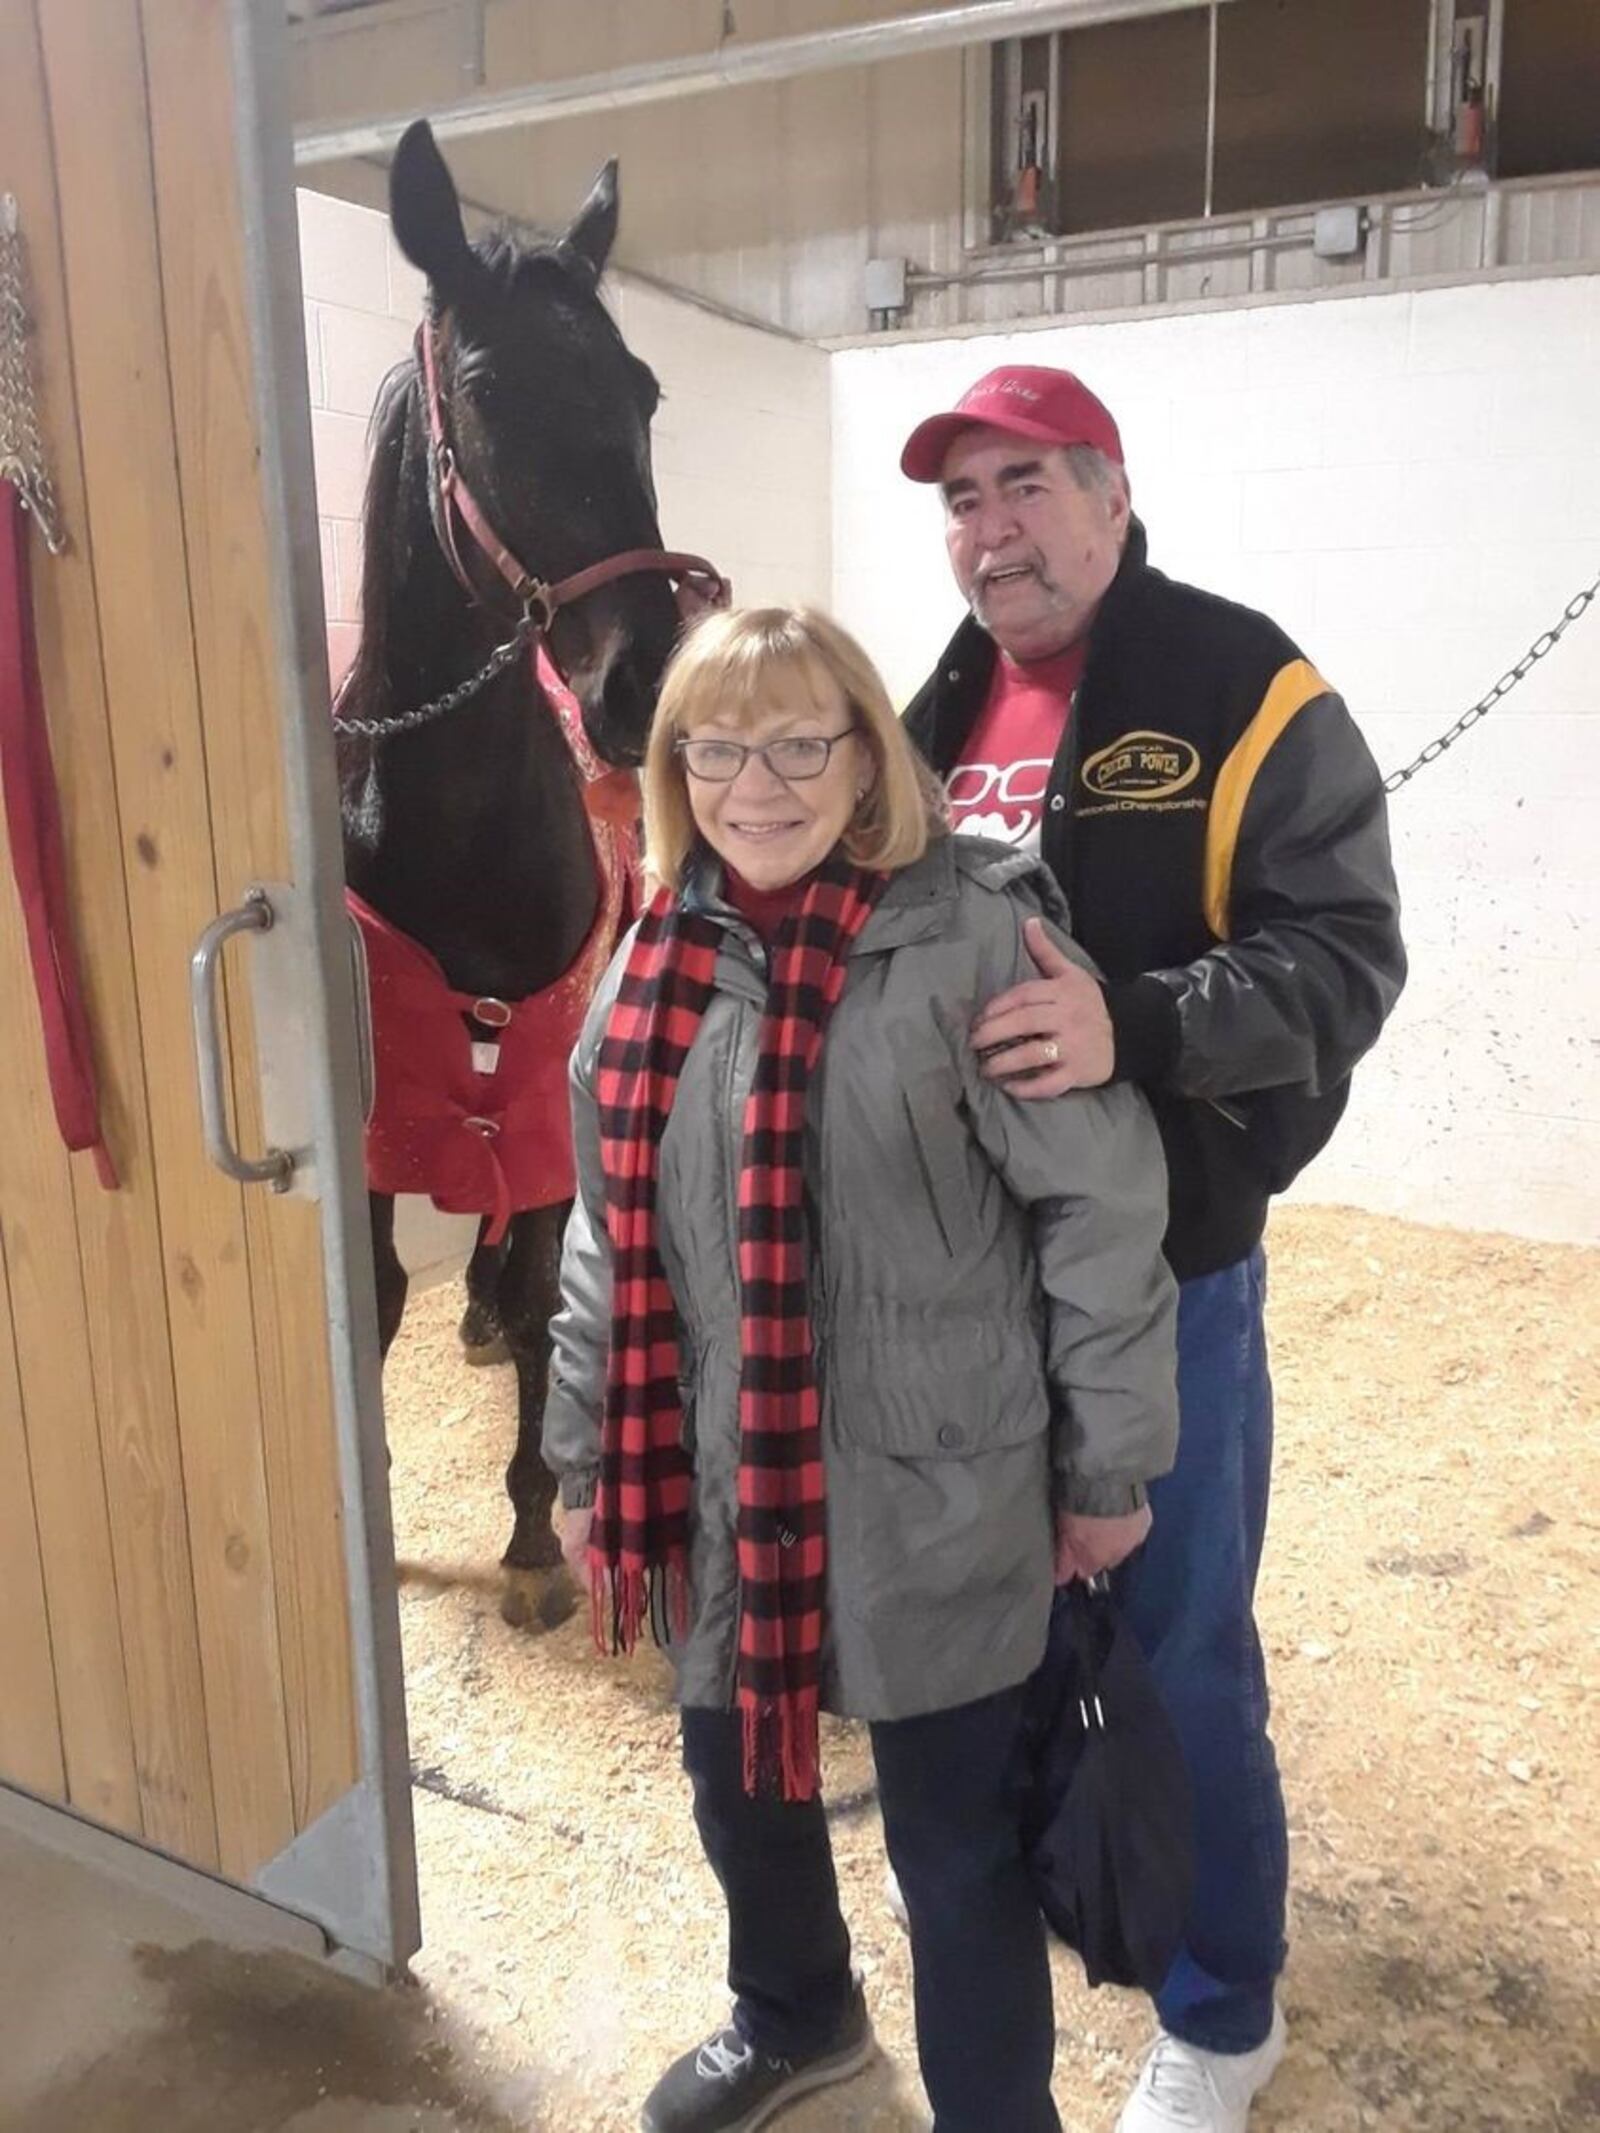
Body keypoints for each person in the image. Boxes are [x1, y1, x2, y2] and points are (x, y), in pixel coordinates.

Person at [543, 605, 1180, 2133]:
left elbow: (1100, 1210)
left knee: (955, 1852)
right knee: (735, 1787)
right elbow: (601, 1230)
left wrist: (1105, 1468)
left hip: (937, 1481)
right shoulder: (653, 953)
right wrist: (581, 1458)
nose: (757, 783)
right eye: (718, 746)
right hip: (708, 1470)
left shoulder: (975, 928)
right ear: (675, 765)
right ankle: (795, 2017)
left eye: (798, 742)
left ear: (865, 750)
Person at [898, 366, 1407, 2133]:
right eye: (962, 500)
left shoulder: (1239, 685)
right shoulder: (934, 709)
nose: (991, 528)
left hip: (1168, 1280)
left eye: (1024, 482)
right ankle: (1083, 1890)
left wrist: (1148, 1025)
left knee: (1179, 1643)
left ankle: (1224, 2005)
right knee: (1029, 1634)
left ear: (1112, 495)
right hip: (972, 1293)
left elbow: (1347, 957)